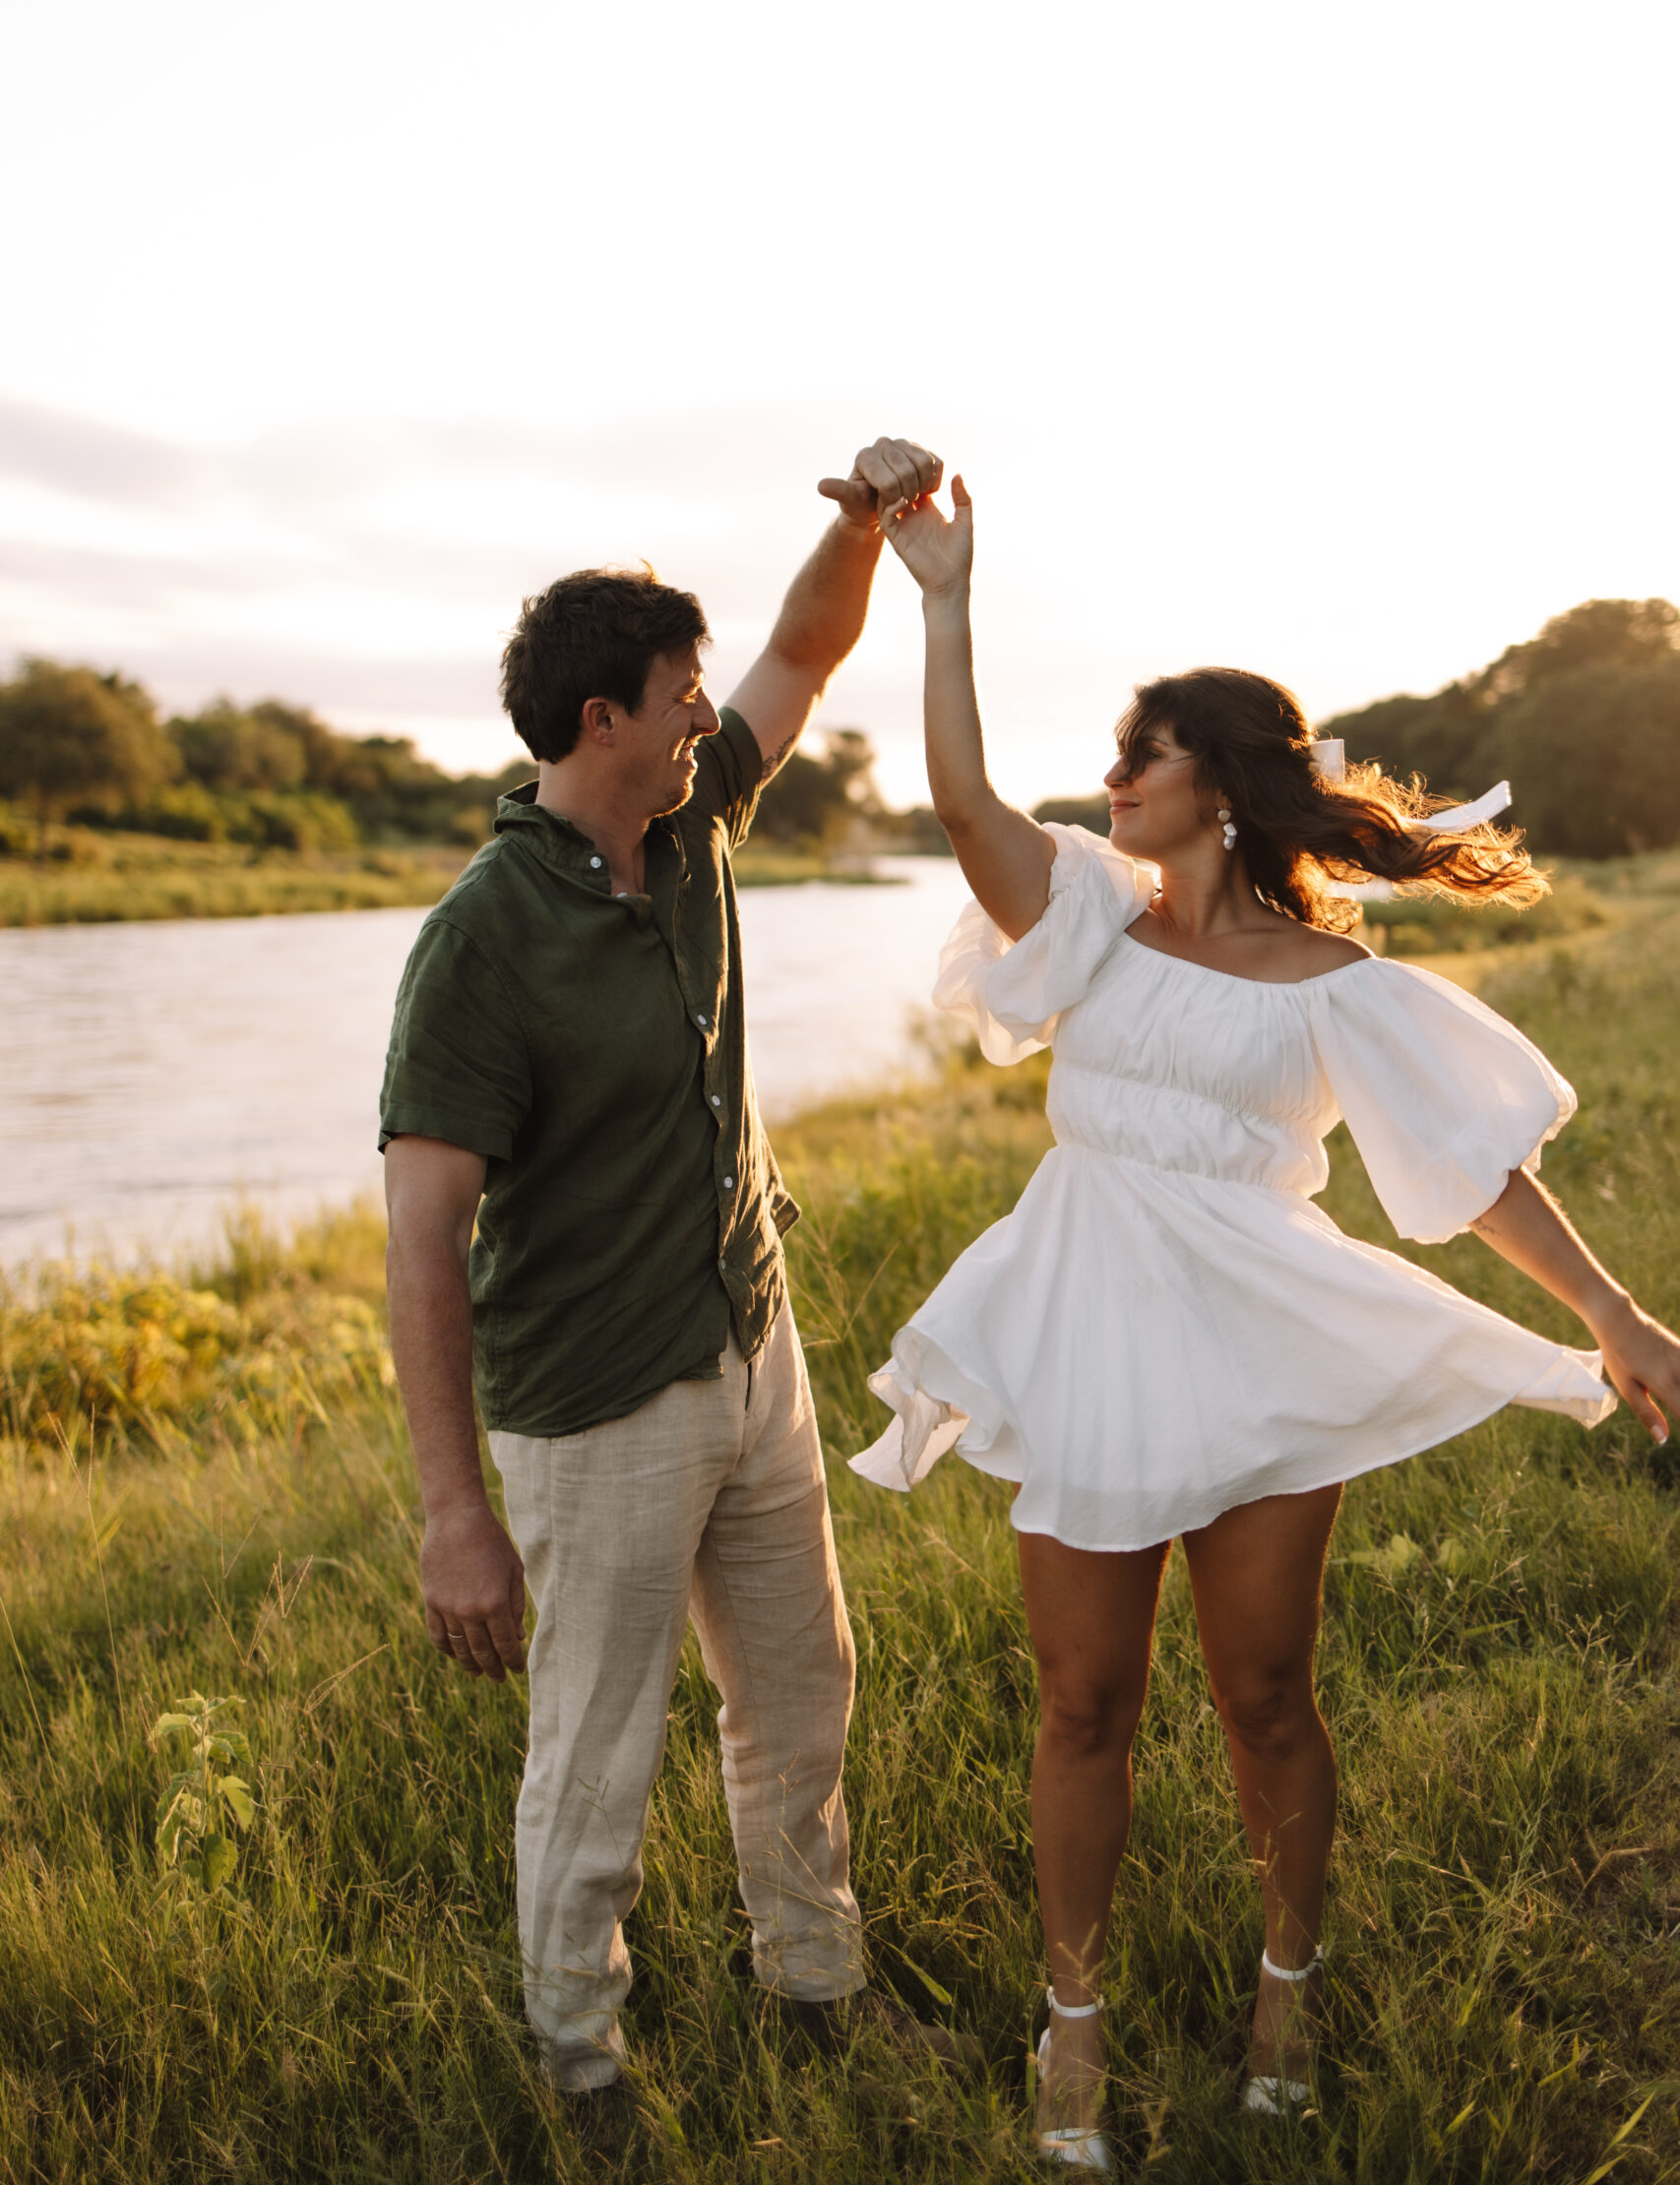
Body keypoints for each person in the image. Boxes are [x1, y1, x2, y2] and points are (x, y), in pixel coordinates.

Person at [850, 471, 1680, 2171]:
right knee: (1082, 1703)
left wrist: (1616, 1311)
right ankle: (1068, 2033)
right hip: (1088, 1330)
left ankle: (1285, 1994)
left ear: (1217, 788)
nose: (1112, 778)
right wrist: (940, 598)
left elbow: (1470, 1171)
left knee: (1268, 1696)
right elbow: (956, 801)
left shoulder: (1340, 988)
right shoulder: (1084, 912)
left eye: (1139, 755)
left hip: (1259, 1351)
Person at [379, 439, 951, 2101]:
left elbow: (808, 650)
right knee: (597, 1752)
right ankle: (578, 2061)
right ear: (597, 724)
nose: (710, 711)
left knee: (803, 1694)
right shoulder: (481, 940)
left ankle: (820, 1987)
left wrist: (859, 526)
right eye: (679, 693)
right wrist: (451, 1510)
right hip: (597, 1410)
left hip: (749, 1356)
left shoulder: (693, 827)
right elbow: (424, 1245)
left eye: (703, 688)